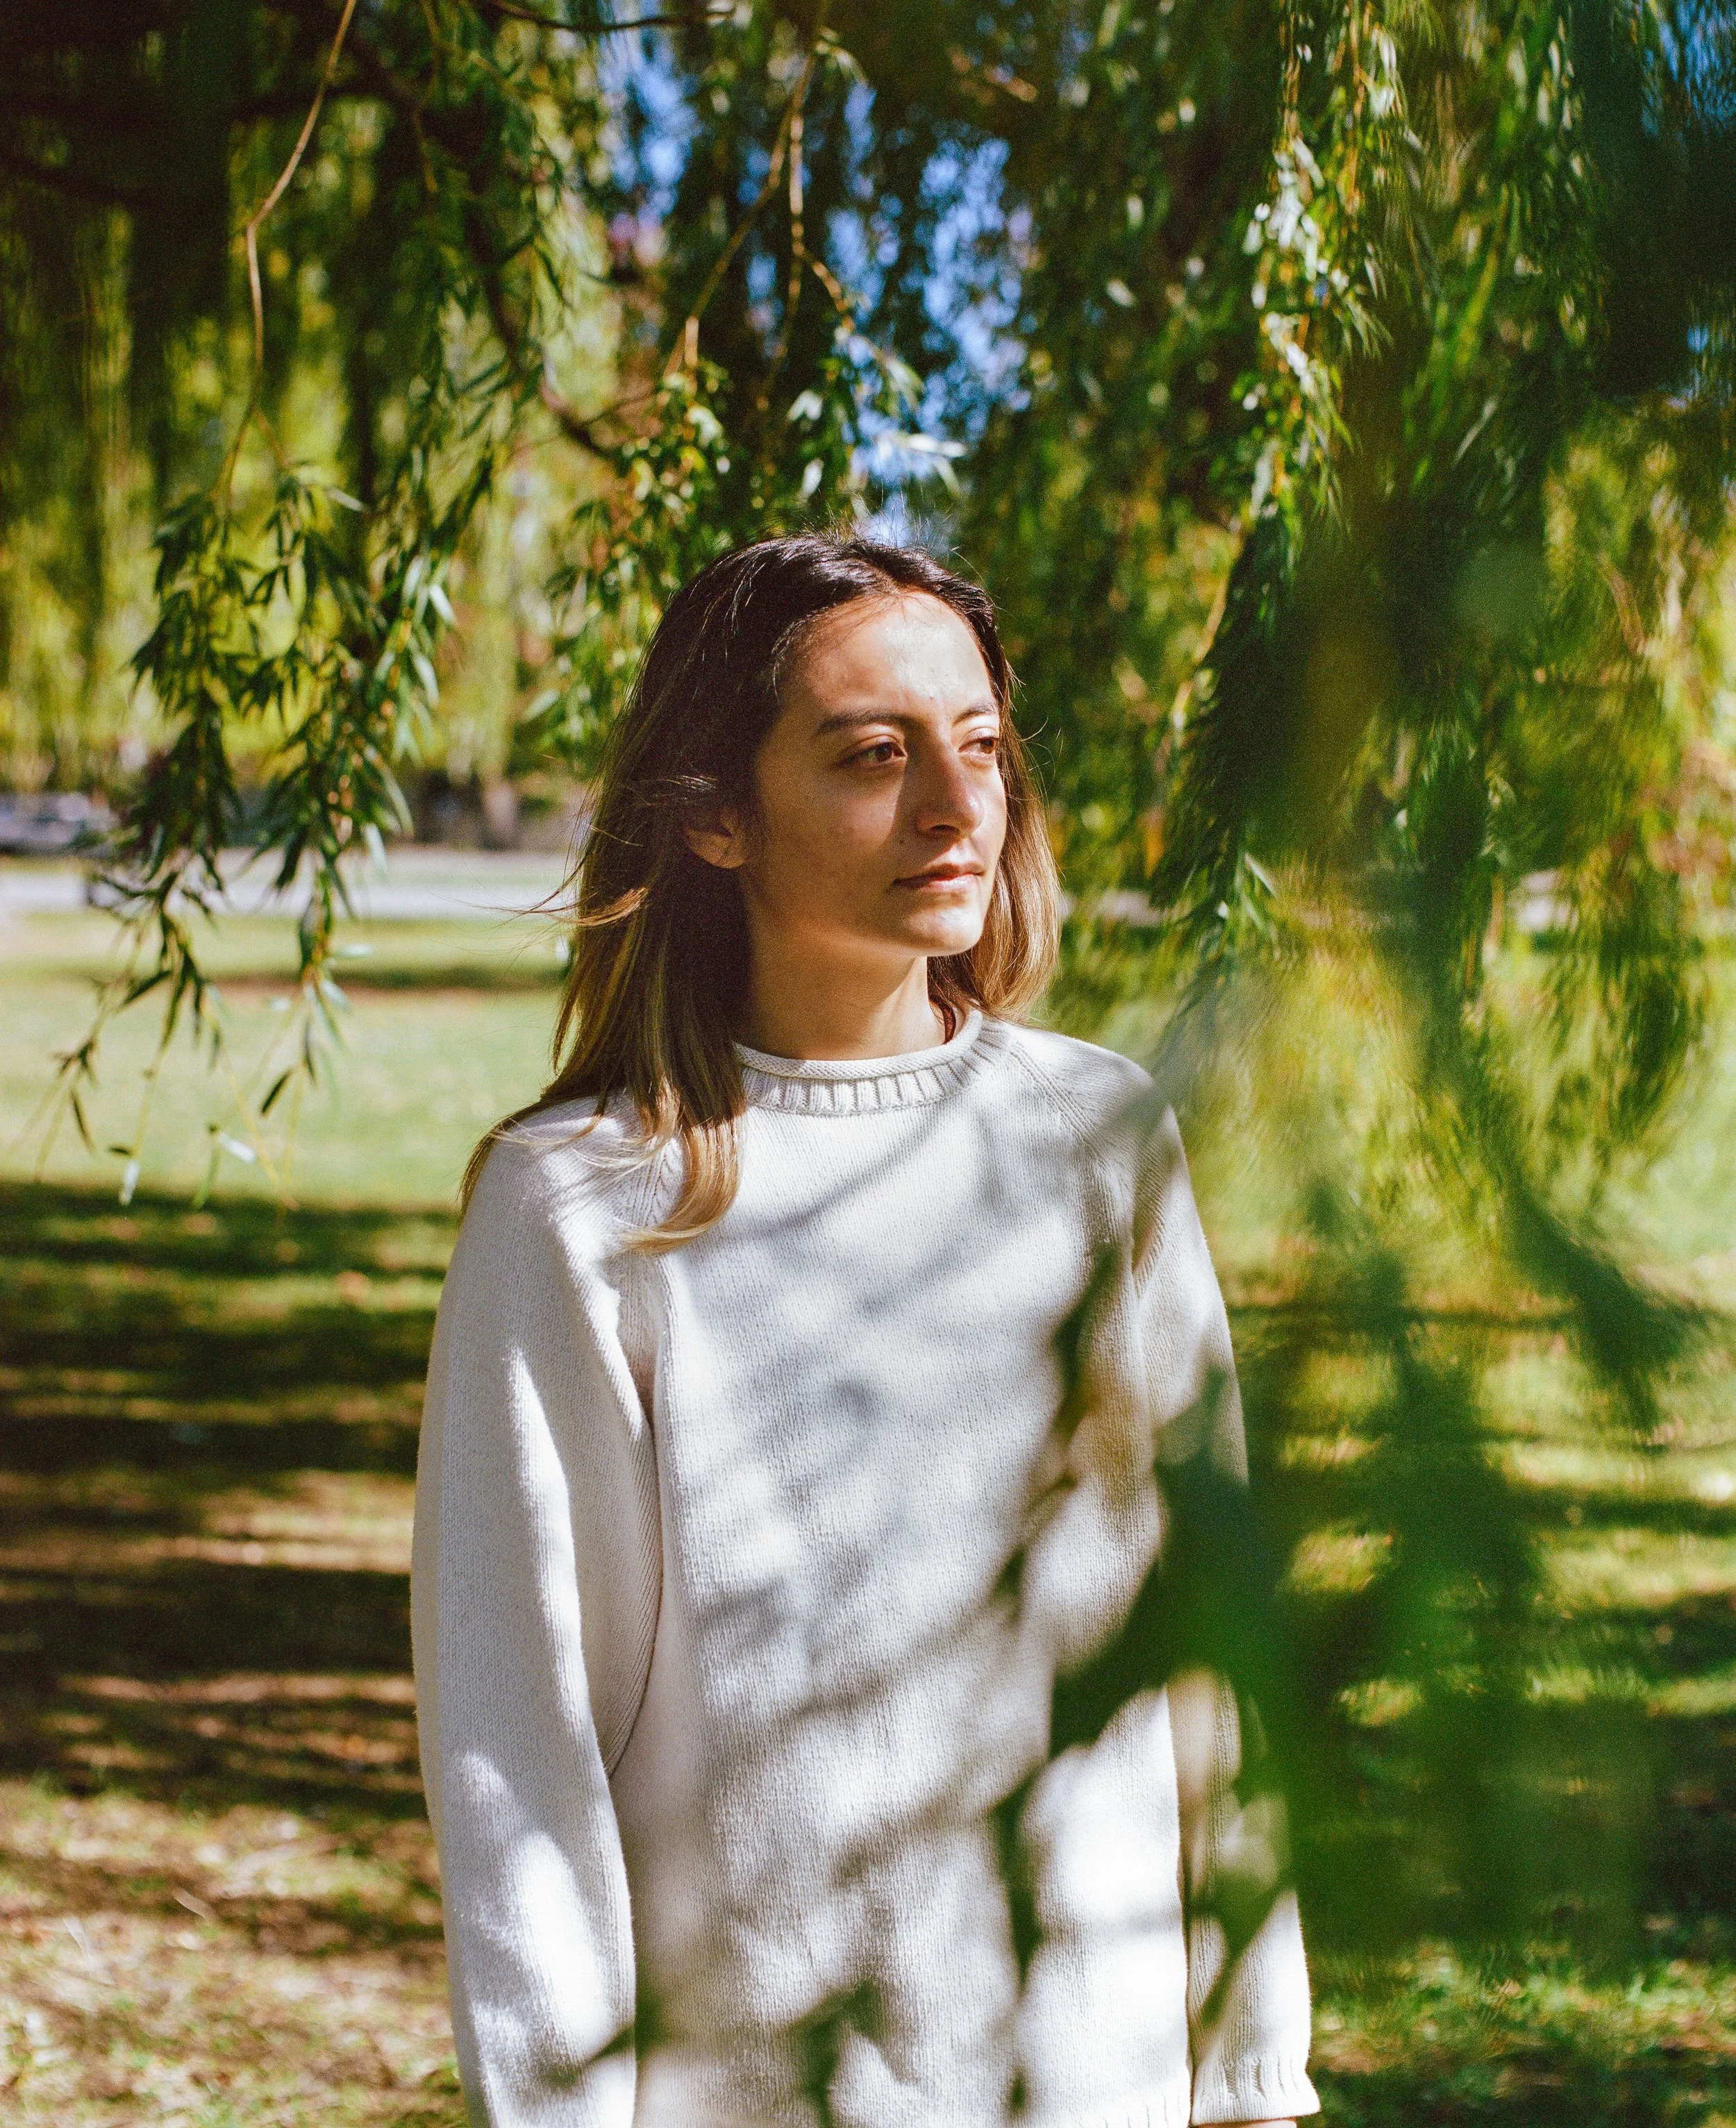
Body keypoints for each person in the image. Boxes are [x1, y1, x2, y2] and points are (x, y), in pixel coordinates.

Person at [412, 533, 1319, 2128]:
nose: (955, 807)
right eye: (871, 755)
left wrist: (1245, 2062)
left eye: (976, 748)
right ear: (712, 810)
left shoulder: (1094, 1137)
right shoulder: (587, 1206)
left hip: (1098, 2076)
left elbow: (1203, 1630)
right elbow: (519, 1741)